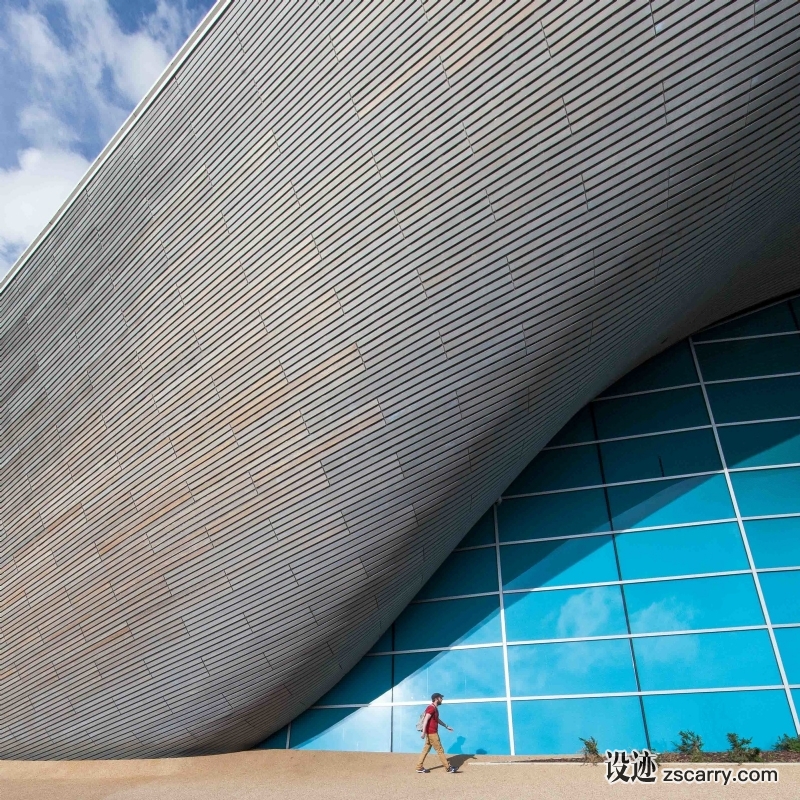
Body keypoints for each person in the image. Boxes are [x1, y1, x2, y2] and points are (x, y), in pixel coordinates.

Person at [415, 693, 458, 773]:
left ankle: (419, 767)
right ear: (436, 699)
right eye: (441, 698)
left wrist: (446, 726)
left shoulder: (434, 708)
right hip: (432, 733)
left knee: (425, 750)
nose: (442, 699)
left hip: (430, 733)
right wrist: (423, 732)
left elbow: (436, 719)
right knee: (440, 750)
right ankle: (448, 768)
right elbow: (425, 720)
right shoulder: (431, 708)